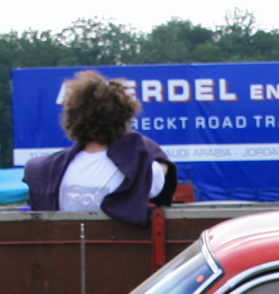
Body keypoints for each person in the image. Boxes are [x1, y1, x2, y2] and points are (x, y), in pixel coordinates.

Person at [22, 71, 178, 223]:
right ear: (124, 117)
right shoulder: (141, 170)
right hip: (118, 247)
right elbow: (160, 172)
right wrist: (143, 145)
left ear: (73, 118)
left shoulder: (45, 171)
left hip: (64, 247)